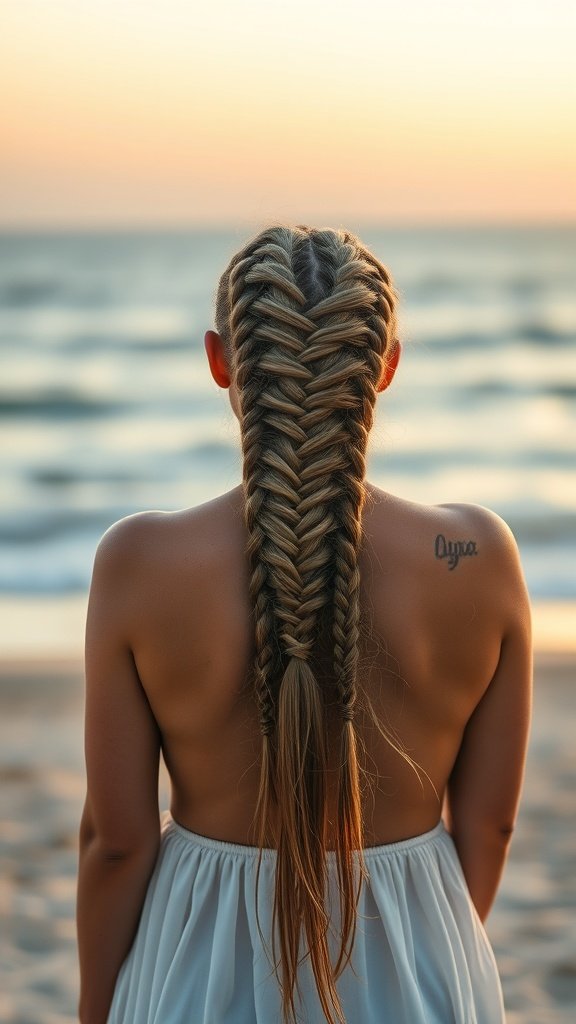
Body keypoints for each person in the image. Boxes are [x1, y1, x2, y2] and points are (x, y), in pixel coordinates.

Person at [76, 224, 532, 1024]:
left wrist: (94, 1005)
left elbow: (116, 845)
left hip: (199, 956)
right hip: (415, 947)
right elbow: (489, 827)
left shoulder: (139, 563)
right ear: (386, 368)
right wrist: (429, 939)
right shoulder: (479, 556)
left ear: (221, 361)